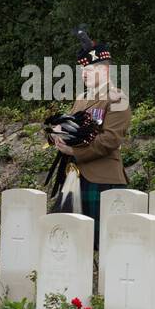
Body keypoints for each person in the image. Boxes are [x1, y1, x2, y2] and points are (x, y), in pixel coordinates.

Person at [50, 26, 130, 247]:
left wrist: (74, 150)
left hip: (103, 179)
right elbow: (73, 128)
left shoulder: (118, 99)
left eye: (90, 68)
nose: (84, 73)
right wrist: (57, 136)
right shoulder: (81, 98)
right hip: (75, 177)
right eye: (82, 68)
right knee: (71, 245)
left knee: (104, 246)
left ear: (104, 71)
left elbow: (109, 141)